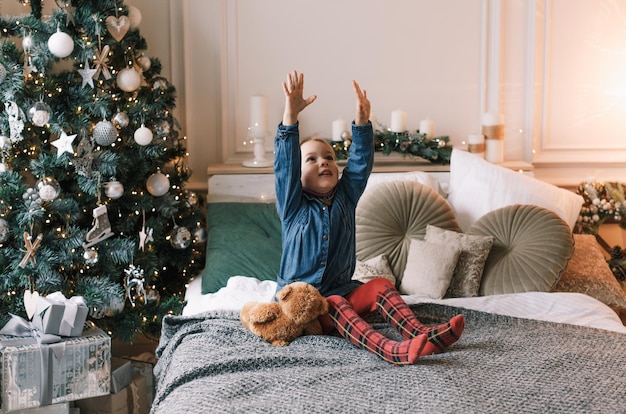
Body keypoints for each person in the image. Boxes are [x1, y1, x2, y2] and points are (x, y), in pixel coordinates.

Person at [273, 70, 464, 365]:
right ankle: (390, 349)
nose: (323, 161)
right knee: (334, 303)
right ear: (297, 176)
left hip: (340, 293)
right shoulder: (293, 205)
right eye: (311, 159)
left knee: (380, 285)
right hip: (303, 309)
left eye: (329, 157)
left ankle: (423, 335)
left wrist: (362, 124)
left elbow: (360, 165)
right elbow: (284, 165)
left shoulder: (346, 198)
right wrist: (290, 115)